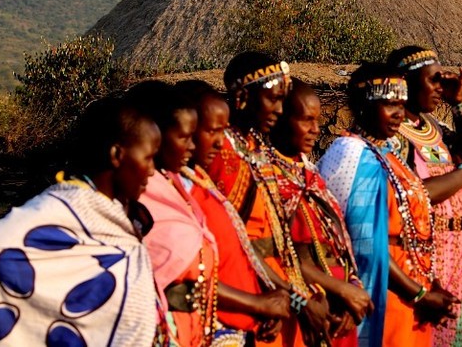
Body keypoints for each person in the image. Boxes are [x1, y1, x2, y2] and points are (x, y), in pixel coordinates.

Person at [0, 94, 162, 346]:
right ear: (117, 155)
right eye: (149, 157)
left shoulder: (117, 215)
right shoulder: (59, 211)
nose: (152, 170)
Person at [319, 63, 459, 347]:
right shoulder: (352, 154)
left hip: (410, 290)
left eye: (401, 104)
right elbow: (367, 246)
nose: (398, 114)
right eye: (388, 104)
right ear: (362, 106)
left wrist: (427, 286)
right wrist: (419, 294)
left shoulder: (387, 152)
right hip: (387, 292)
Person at [205, 52, 330, 347]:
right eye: (273, 99)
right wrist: (294, 300)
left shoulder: (258, 148)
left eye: (283, 101)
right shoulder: (223, 152)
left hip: (282, 291)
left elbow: (281, 239)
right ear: (242, 98)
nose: (279, 109)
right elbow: (235, 244)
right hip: (248, 292)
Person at [175, 79, 292, 346]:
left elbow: (238, 251)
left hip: (248, 313)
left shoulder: (200, 182)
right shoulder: (177, 190)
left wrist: (277, 298)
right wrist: (259, 303)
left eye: (222, 132)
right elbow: (190, 275)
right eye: (211, 131)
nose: (218, 143)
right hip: (210, 322)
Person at [386, 46, 462, 347]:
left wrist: (459, 103)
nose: (440, 88)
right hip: (427, 256)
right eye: (434, 81)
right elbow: (417, 194)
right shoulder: (394, 135)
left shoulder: (434, 129)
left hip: (461, 253)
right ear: (405, 81)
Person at [271, 79, 373, 347]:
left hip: (341, 312)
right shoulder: (268, 180)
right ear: (280, 118)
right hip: (305, 309)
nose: (316, 130)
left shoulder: (312, 178)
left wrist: (352, 291)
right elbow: (276, 255)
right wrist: (339, 289)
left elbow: (340, 244)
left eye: (317, 121)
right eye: (306, 120)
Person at [130, 80, 227, 346]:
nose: (193, 147)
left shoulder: (178, 186)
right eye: (184, 137)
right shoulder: (139, 197)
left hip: (193, 329)